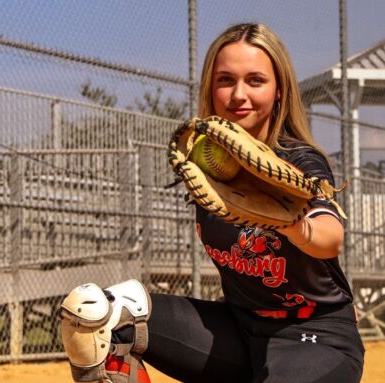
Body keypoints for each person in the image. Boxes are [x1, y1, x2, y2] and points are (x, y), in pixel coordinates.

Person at [61, 23, 364, 383]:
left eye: (255, 80)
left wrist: (290, 223)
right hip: (238, 330)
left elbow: (331, 237)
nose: (239, 95)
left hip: (313, 335)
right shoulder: (206, 169)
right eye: (225, 80)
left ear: (279, 90)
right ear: (211, 87)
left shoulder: (299, 161)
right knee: (97, 314)